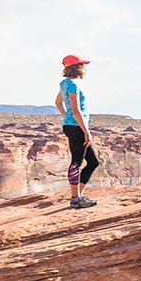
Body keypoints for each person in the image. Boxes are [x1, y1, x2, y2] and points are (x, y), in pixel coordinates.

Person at [55, 55, 99, 208]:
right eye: (82, 66)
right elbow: (76, 110)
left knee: (93, 162)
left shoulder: (65, 84)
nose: (84, 69)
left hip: (72, 125)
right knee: (77, 162)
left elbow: (58, 102)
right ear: (76, 68)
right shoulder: (72, 85)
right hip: (76, 127)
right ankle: (75, 199)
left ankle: (78, 195)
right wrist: (86, 131)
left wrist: (65, 116)